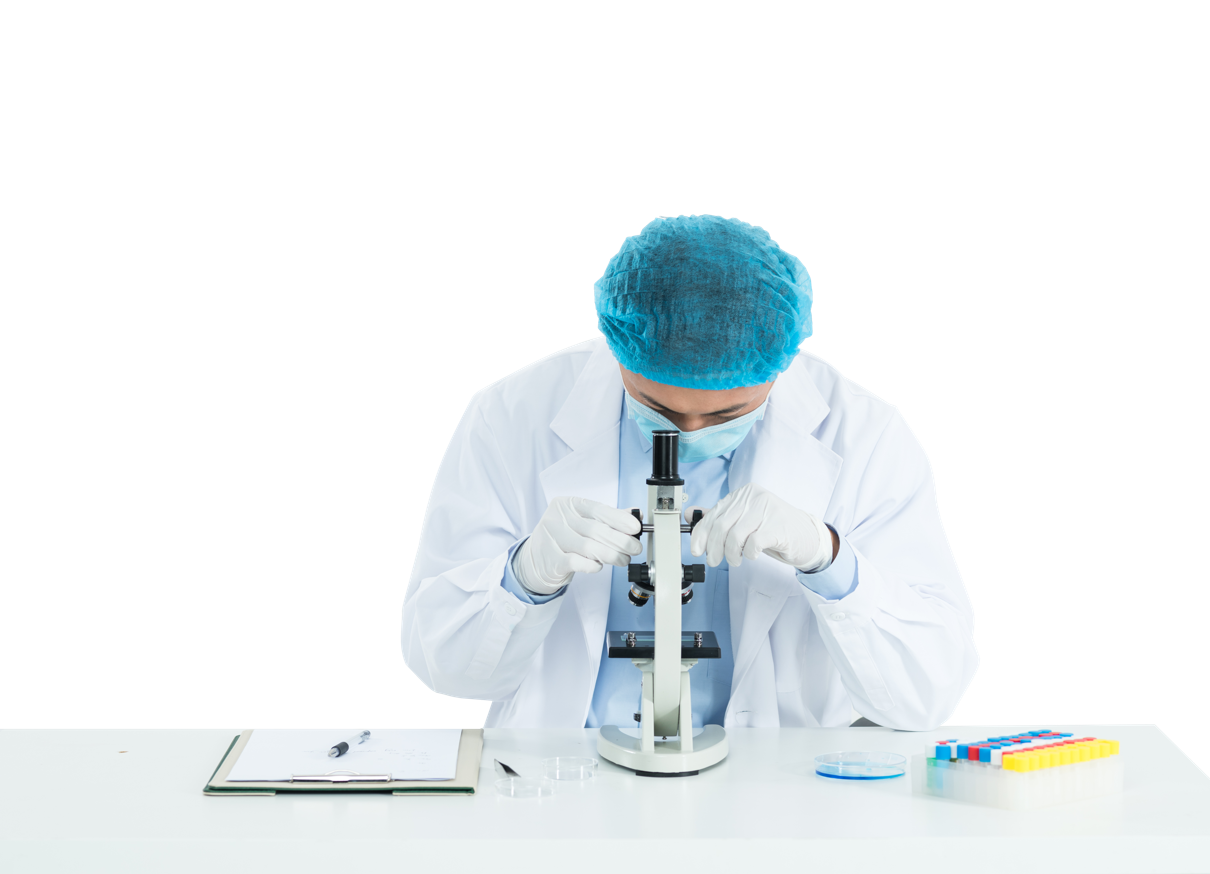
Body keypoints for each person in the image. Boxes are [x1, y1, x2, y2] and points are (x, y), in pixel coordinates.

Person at [400, 215, 978, 731]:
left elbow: (927, 694)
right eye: (659, 409)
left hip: (782, 784)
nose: (689, 432)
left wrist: (829, 559)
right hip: (565, 772)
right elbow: (444, 668)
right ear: (618, 351)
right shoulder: (510, 415)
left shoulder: (866, 434)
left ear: (780, 366)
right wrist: (523, 577)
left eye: (726, 415)